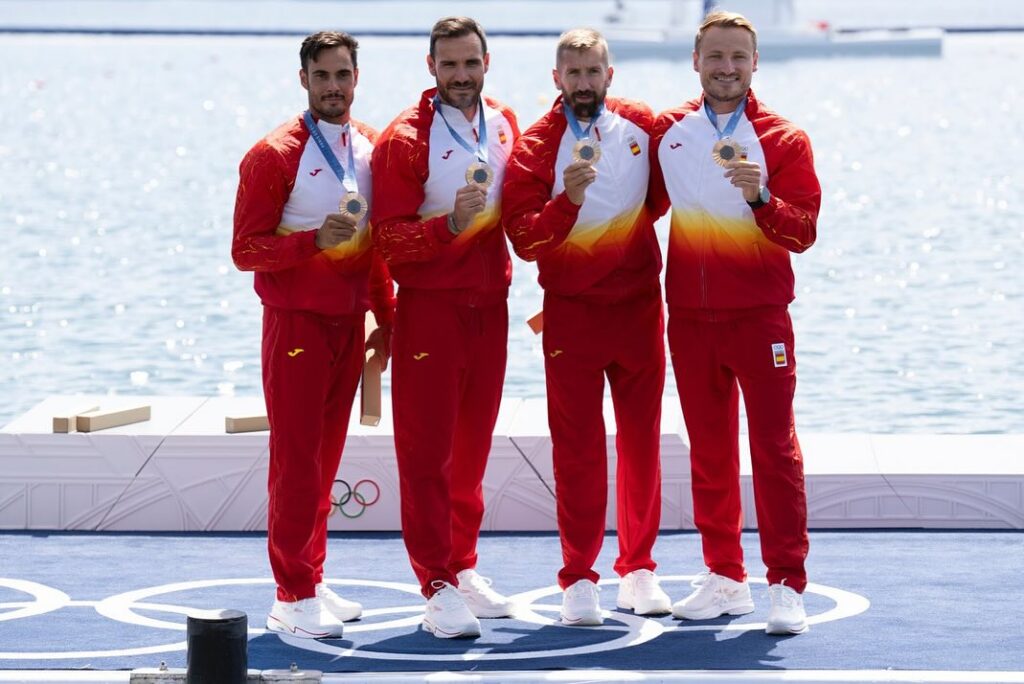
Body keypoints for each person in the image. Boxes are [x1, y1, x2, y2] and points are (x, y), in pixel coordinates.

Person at [648, 11, 821, 635]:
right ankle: (724, 576)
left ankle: (785, 584)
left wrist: (761, 200)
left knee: (774, 449)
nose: (726, 68)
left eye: (738, 57)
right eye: (715, 56)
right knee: (710, 452)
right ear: (695, 61)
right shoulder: (669, 132)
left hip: (760, 319)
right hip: (690, 319)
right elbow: (633, 204)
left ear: (755, 63)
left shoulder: (784, 140)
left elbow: (803, 232)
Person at [502, 28, 670, 626]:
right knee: (576, 450)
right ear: (556, 79)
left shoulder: (642, 127)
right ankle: (578, 577)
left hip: (639, 308)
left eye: (592, 72)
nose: (582, 83)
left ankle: (640, 567)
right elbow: (523, 240)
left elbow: (661, 199)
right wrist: (566, 203)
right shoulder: (534, 146)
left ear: (609, 74)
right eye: (571, 73)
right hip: (572, 315)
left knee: (642, 441)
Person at [232, 31, 394, 639]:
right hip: (296, 325)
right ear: (303, 79)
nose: (334, 86)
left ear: (357, 78)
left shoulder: (371, 146)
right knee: (297, 461)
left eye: (343, 75)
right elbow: (244, 251)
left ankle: (313, 579)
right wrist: (310, 243)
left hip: (349, 325)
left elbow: (374, 245)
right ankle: (291, 593)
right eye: (322, 76)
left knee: (324, 463)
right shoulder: (273, 154)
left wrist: (387, 316)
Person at [369, 16, 519, 639]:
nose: (462, 76)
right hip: (430, 309)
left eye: (471, 64)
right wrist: (448, 227)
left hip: (492, 308)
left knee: (472, 452)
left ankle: (461, 564)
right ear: (430, 67)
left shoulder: (506, 122)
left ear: (488, 63)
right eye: (450, 65)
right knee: (427, 455)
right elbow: (387, 242)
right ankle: (434, 583)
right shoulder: (405, 139)